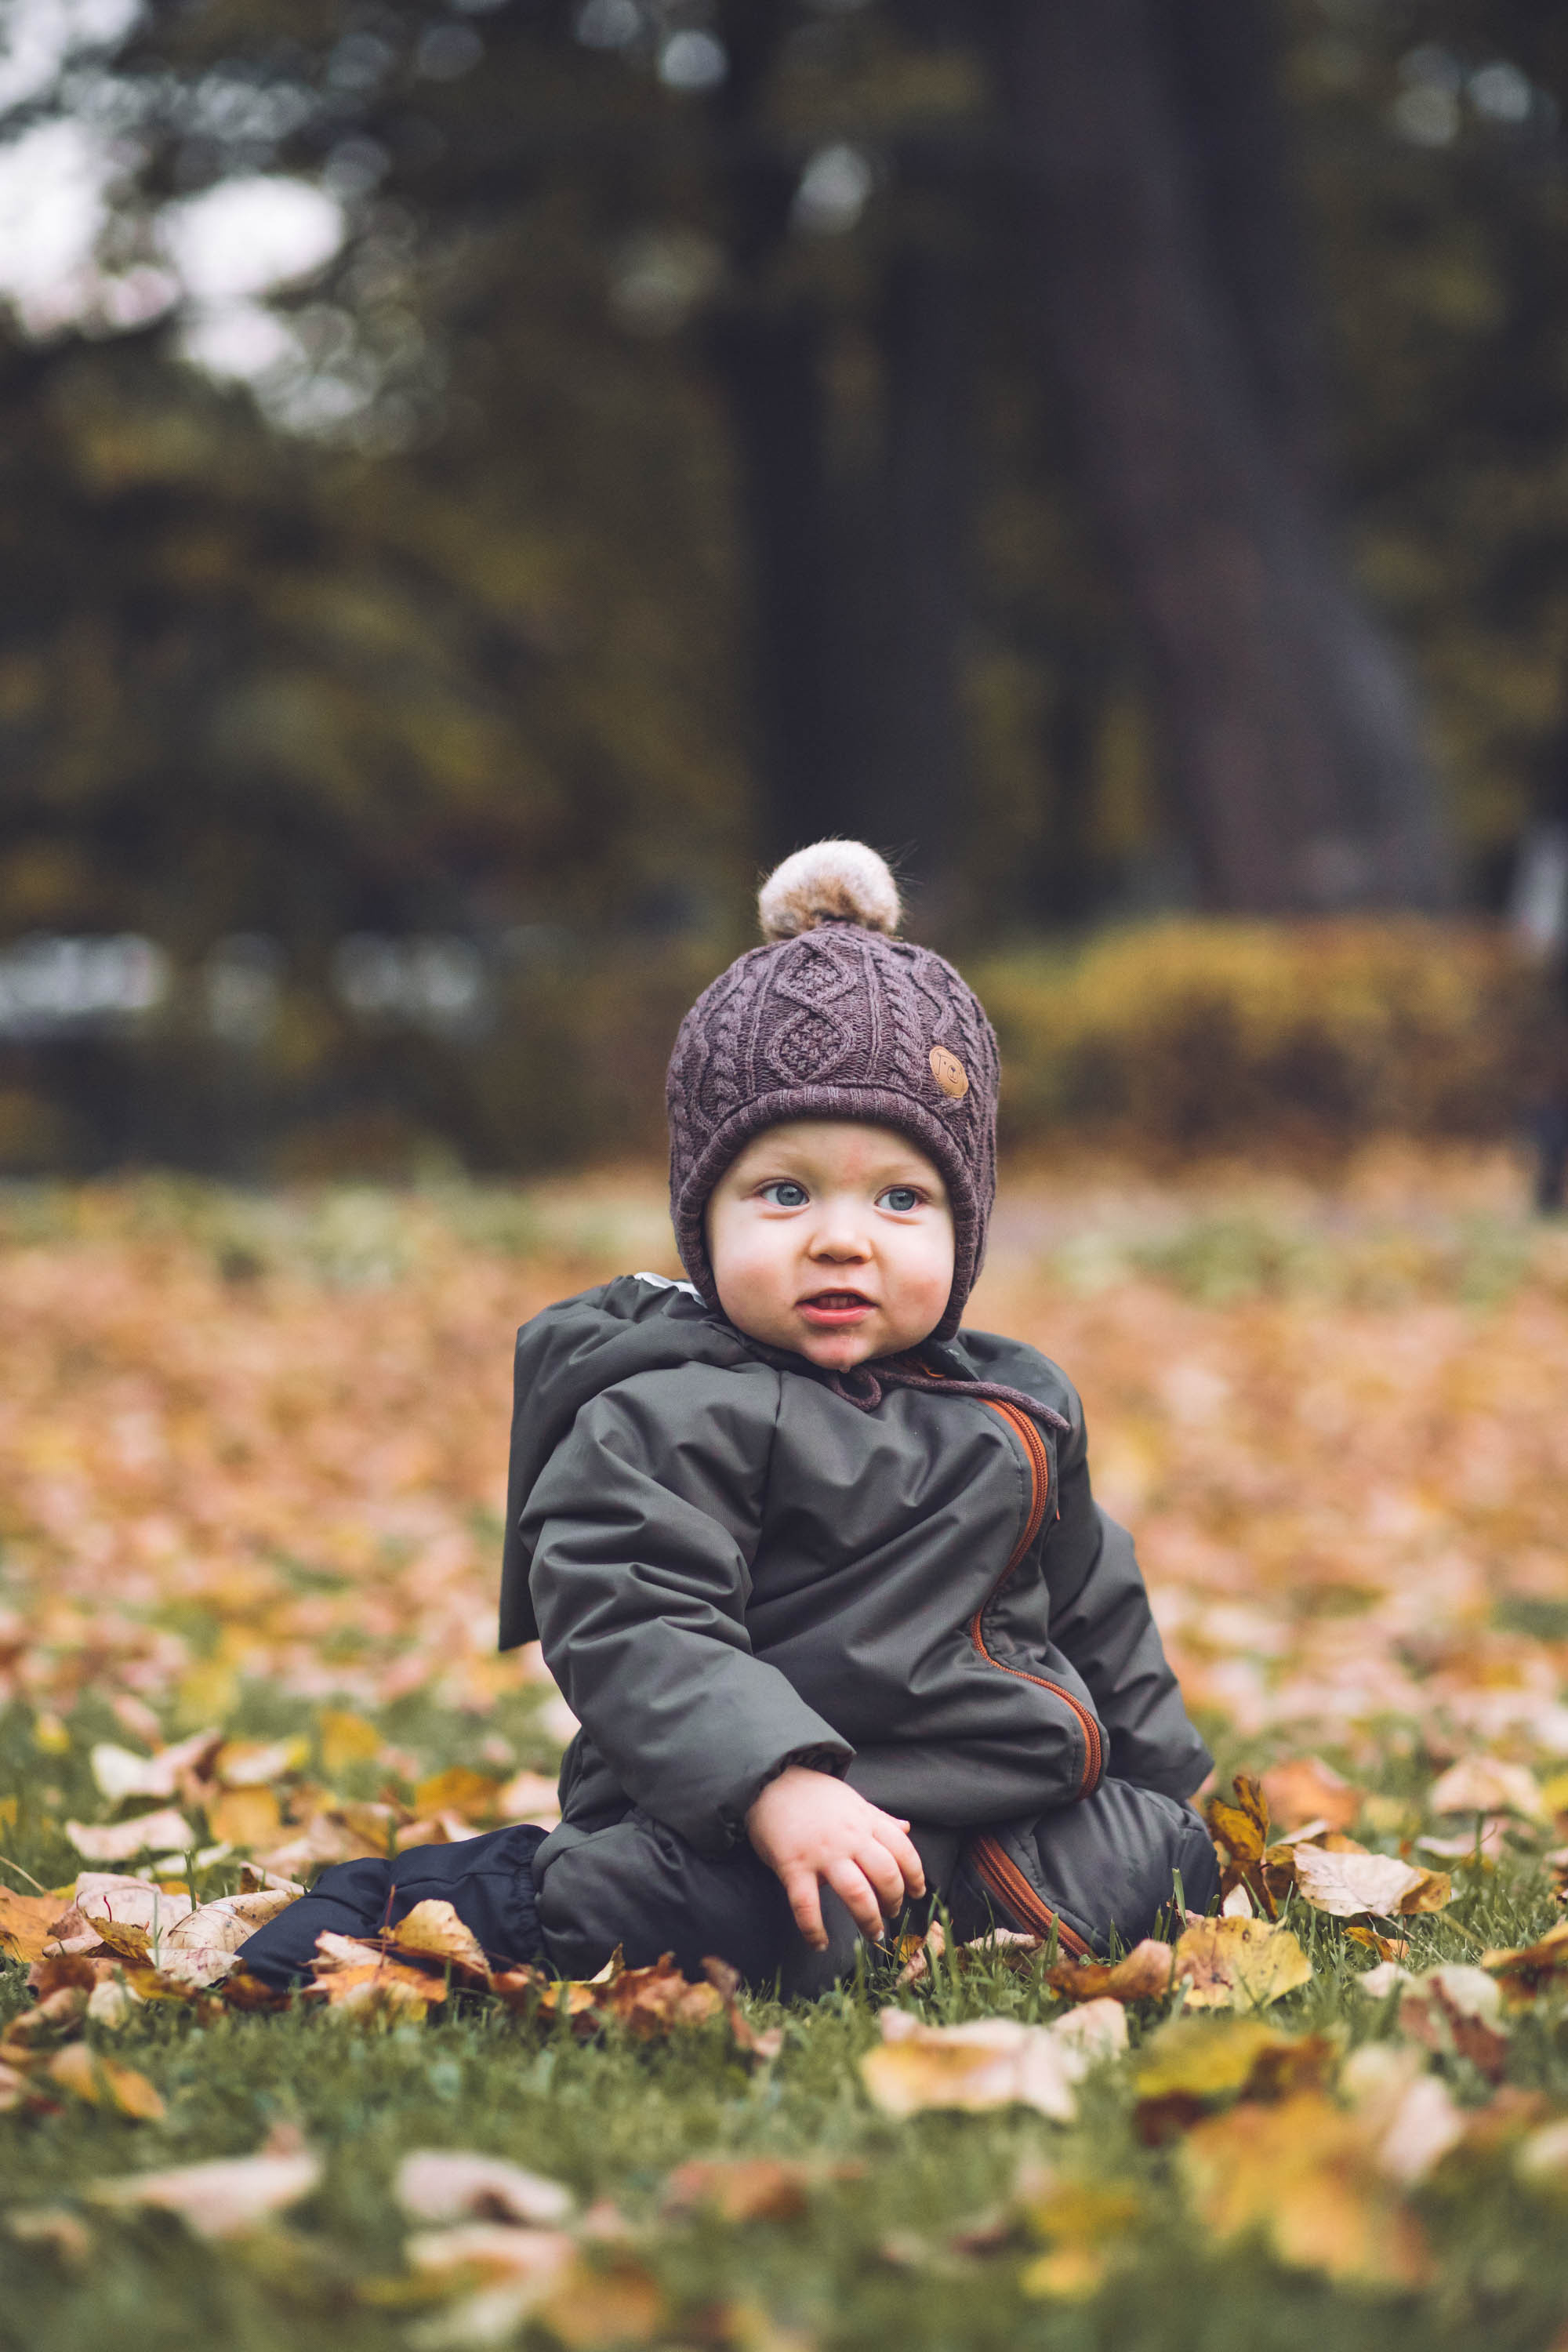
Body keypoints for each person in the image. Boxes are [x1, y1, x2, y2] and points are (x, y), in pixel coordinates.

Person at [241, 841, 1218, 1994]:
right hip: (738, 1810)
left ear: (967, 1226)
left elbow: (1099, 1603)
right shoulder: (668, 1411)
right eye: (785, 1193)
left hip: (987, 1806)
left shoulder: (1018, 1403)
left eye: (901, 1199)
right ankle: (489, 1895)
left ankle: (960, 1903)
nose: (842, 1238)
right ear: (705, 1219)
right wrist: (775, 1784)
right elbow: (634, 1617)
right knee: (719, 1923)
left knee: (1162, 1864)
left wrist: (1167, 1781)